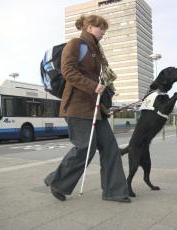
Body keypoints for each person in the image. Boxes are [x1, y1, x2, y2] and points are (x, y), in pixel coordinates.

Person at [44, 15, 130, 203]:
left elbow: (100, 77)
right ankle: (57, 181)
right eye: (101, 29)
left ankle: (114, 191)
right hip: (77, 107)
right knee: (86, 147)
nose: (104, 33)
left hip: (96, 109)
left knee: (110, 148)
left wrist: (105, 90)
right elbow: (68, 70)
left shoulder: (96, 51)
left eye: (105, 30)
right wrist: (93, 86)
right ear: (90, 27)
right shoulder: (76, 44)